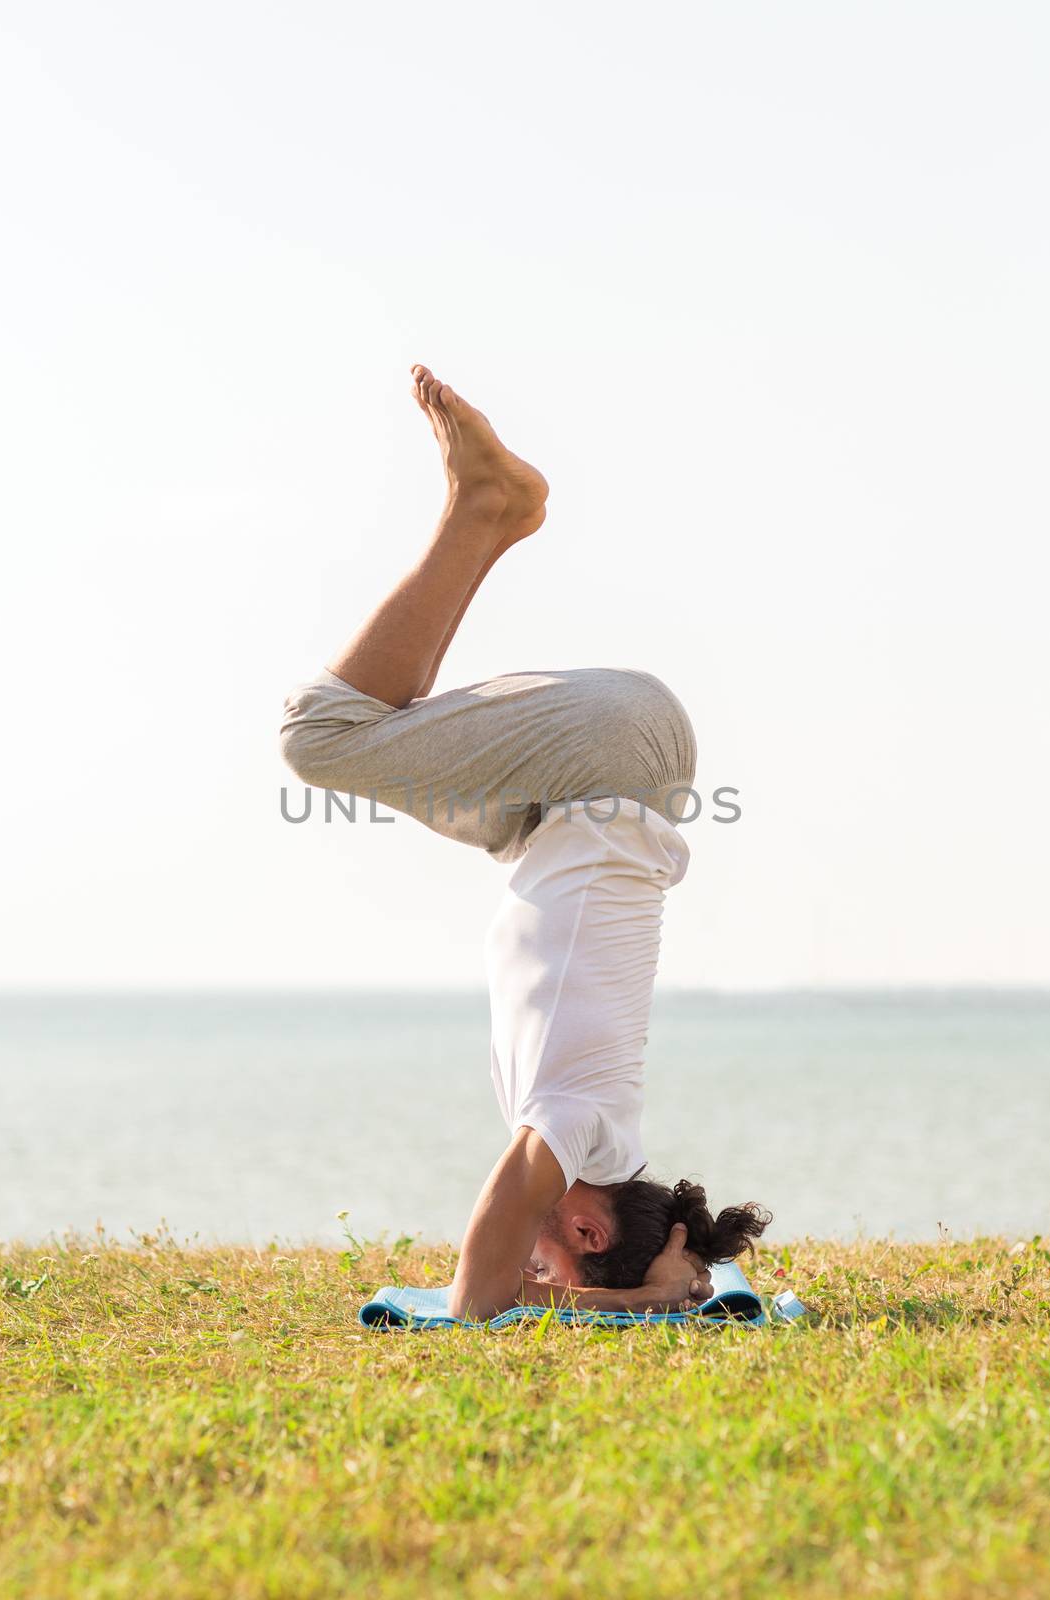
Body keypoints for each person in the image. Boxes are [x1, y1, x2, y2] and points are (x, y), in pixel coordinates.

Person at [281, 365, 769, 1320]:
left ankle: (490, 511)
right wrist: (602, 1308)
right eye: (553, 1272)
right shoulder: (582, 1136)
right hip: (605, 761)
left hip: (572, 795)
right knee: (320, 737)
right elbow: (491, 1260)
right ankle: (487, 508)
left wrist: (649, 1286)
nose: (535, 1282)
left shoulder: (603, 1136)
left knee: (377, 746)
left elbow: (525, 1251)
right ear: (587, 1231)